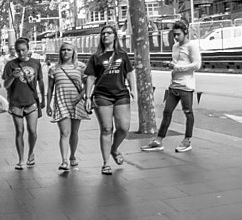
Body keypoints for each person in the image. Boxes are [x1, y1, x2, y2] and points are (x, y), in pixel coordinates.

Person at [82, 23, 134, 175]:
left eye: (109, 33)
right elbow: (91, 77)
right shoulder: (96, 57)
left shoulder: (122, 55)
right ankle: (105, 163)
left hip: (121, 94)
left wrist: (133, 91)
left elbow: (130, 74)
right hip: (102, 95)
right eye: (103, 33)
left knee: (124, 127)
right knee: (106, 129)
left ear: (115, 36)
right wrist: (88, 97)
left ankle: (114, 148)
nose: (106, 36)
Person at [145, 19, 200, 153]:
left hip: (186, 86)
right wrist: (170, 64)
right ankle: (159, 139)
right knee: (167, 112)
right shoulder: (175, 46)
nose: (176, 37)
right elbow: (177, 62)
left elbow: (197, 65)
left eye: (178, 34)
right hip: (174, 85)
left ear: (185, 33)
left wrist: (176, 67)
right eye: (174, 34)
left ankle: (187, 140)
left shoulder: (192, 46)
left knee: (188, 112)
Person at [2, 37, 45, 169]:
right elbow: (6, 85)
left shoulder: (36, 63)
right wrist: (12, 77)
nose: (21, 53)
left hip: (31, 102)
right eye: (18, 51)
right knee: (19, 131)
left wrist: (43, 98)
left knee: (32, 131)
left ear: (28, 49)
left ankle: (31, 153)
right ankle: (21, 159)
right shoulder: (10, 65)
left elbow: (40, 81)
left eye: (23, 50)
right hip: (16, 102)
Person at [45, 40, 87, 172]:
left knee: (74, 132)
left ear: (74, 52)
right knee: (64, 132)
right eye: (63, 50)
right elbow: (50, 88)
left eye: (69, 50)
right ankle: (64, 161)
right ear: (60, 52)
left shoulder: (80, 66)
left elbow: (89, 84)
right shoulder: (54, 69)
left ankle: (73, 156)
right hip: (61, 102)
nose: (66, 52)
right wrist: (48, 104)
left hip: (76, 103)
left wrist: (81, 96)